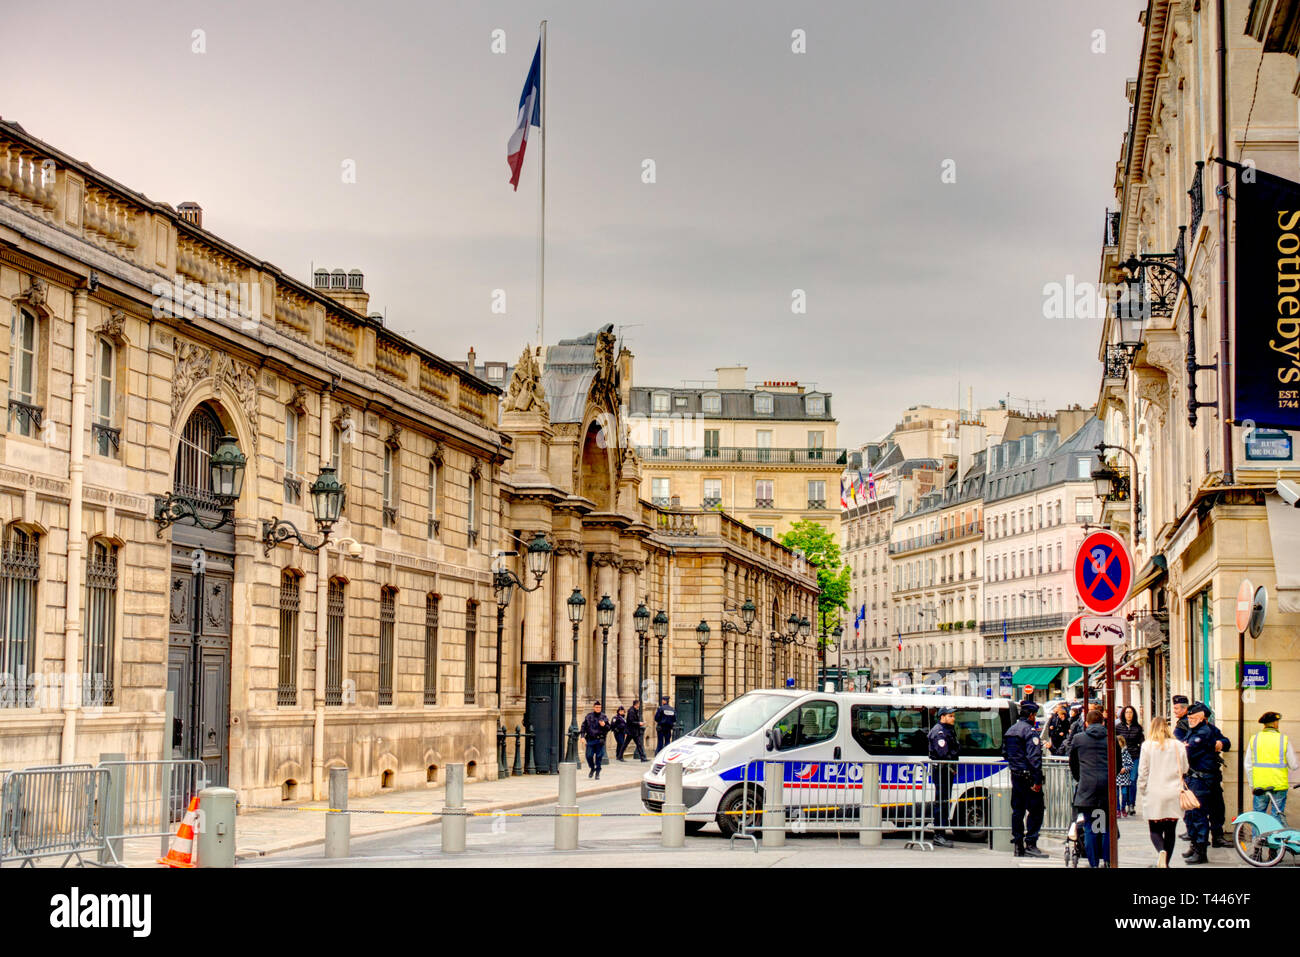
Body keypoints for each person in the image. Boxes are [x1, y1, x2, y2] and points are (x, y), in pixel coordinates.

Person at [1069, 709, 1120, 867]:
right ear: (1103, 722)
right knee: (1106, 827)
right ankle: (1107, 860)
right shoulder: (1111, 739)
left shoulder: (1078, 739)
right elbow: (1118, 764)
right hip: (1107, 787)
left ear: (1086, 723)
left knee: (1090, 826)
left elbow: (1073, 763)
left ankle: (1093, 863)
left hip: (1087, 787)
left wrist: (1081, 778)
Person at [1181, 702, 1230, 865]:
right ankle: (1195, 846)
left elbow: (1188, 752)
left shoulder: (1202, 732)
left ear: (1202, 717)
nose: (1190, 720)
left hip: (1203, 780)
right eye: (1189, 717)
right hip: (1194, 778)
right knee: (1193, 814)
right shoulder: (1193, 730)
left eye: (1193, 717)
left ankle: (1201, 851)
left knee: (1199, 815)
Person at [1137, 715, 1189, 868]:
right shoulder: (1178, 745)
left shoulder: (1147, 746)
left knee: (1154, 829)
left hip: (1154, 792)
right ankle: (1165, 864)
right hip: (1173, 792)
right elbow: (1185, 768)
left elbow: (1143, 771)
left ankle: (1161, 852)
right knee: (1170, 831)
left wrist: (1142, 789)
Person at [1003, 701, 1048, 858]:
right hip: (1028, 776)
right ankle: (1031, 843)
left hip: (1015, 775)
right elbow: (1034, 757)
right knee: (1036, 811)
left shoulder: (1010, 731)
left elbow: (1005, 753)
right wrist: (1036, 780)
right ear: (1031, 715)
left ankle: (1017, 844)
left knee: (1018, 811)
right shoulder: (1030, 731)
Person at [1244, 711, 1298, 826]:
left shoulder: (1254, 739)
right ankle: (1277, 842)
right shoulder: (1283, 739)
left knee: (1259, 815)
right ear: (1274, 723)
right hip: (1279, 785)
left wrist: (1252, 785)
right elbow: (1293, 765)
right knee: (1277, 815)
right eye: (1277, 721)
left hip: (1260, 785)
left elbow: (1248, 765)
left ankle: (1257, 842)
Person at [927, 706, 960, 847]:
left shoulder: (947, 730)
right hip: (942, 770)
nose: (953, 718)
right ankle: (939, 835)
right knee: (941, 802)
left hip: (946, 769)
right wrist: (951, 767)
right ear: (942, 717)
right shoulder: (939, 732)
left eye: (953, 716)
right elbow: (943, 753)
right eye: (950, 716)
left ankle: (941, 833)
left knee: (944, 802)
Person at [1116, 705, 1144, 814]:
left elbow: (1142, 741)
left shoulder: (1138, 727)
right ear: (1123, 714)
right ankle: (1122, 805)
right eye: (1127, 712)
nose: (1129, 714)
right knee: (1122, 782)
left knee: (1132, 780)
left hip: (1134, 756)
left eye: (1131, 712)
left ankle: (1131, 804)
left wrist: (1141, 749)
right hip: (1121, 757)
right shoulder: (1118, 727)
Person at [580, 700, 611, 779]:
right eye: (597, 707)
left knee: (599, 757)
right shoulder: (589, 716)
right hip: (590, 739)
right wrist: (582, 736)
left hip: (599, 740)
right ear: (594, 708)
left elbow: (609, 728)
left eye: (599, 707)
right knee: (589, 756)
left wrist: (604, 725)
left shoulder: (604, 717)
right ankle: (592, 768)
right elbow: (583, 727)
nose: (598, 709)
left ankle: (597, 772)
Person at [1115, 736, 1134, 819]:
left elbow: (1131, 764)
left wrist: (1125, 768)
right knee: (1116, 794)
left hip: (1124, 777)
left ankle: (1123, 807)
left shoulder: (1126, 753)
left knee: (1124, 793)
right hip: (1116, 777)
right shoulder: (1113, 753)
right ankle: (1117, 809)